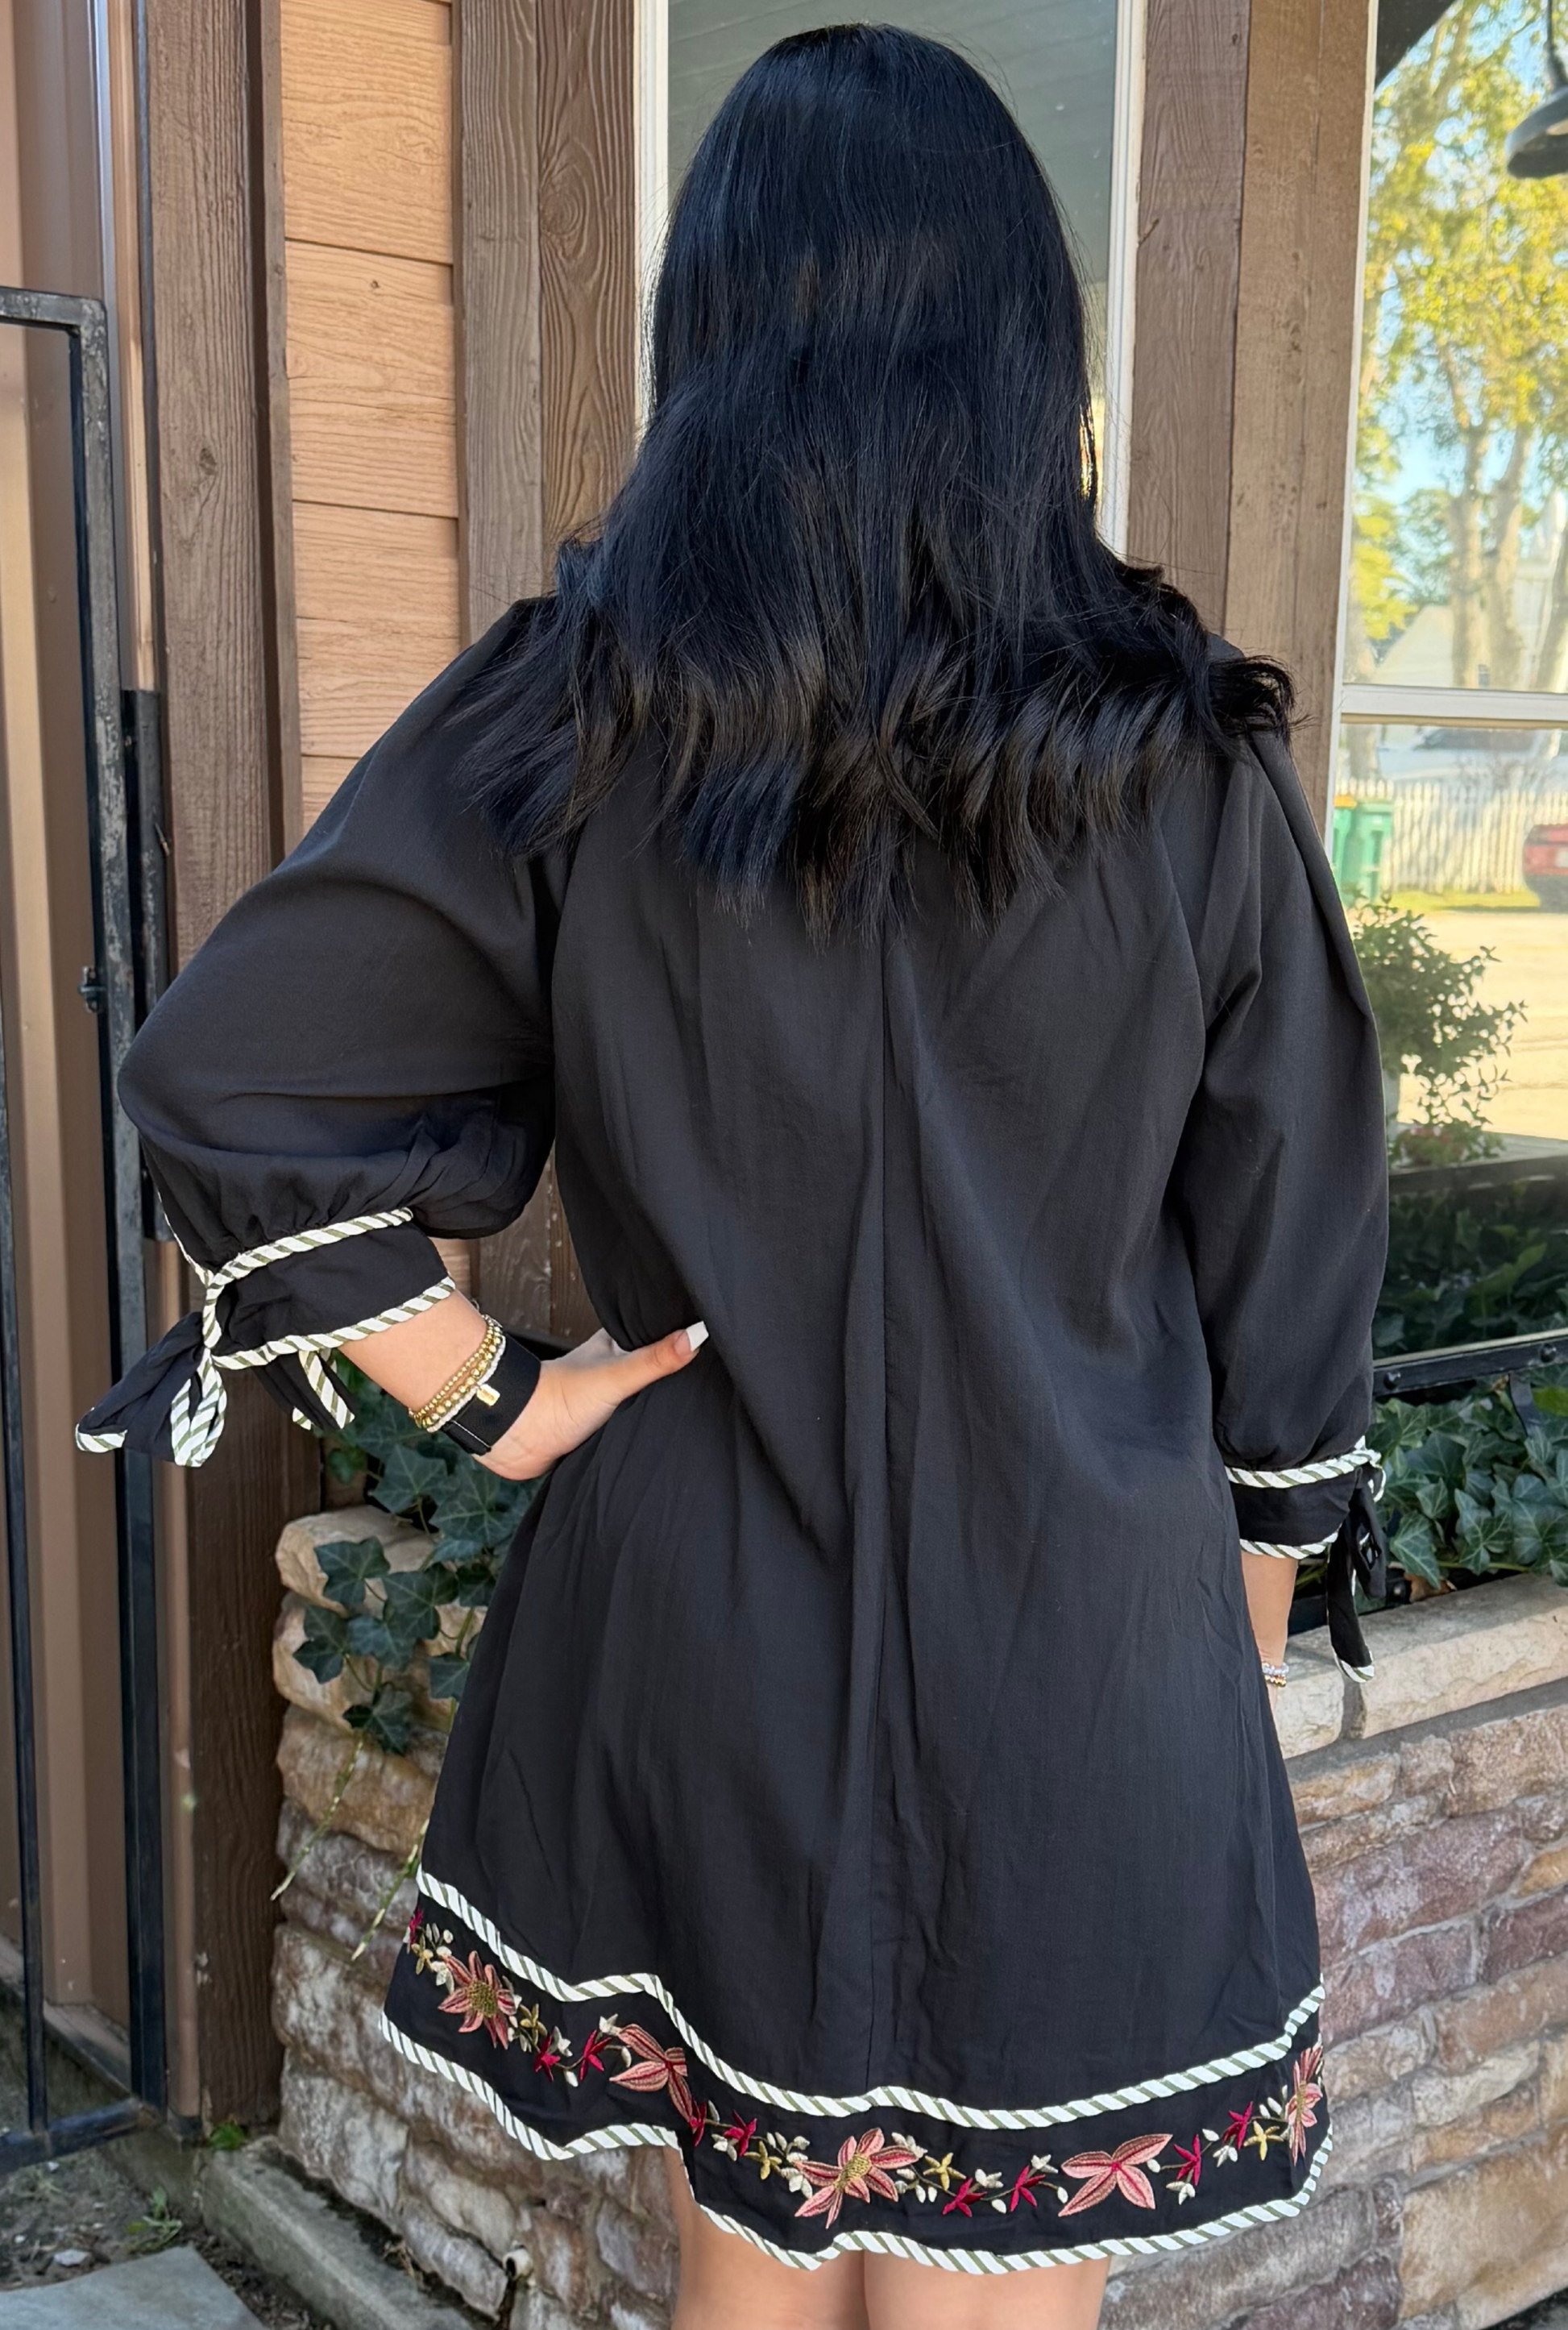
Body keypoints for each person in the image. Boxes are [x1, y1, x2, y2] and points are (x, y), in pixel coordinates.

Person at [80, 26, 1388, 2328]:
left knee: (748, 2286)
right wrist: (1204, 1668)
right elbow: (1294, 1299)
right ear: (1024, 349)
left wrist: (494, 1394)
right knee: (986, 2294)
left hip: (700, 1623)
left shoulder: (590, 712)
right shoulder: (1180, 761)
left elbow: (231, 1075)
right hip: (1070, 1656)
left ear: (717, 339)